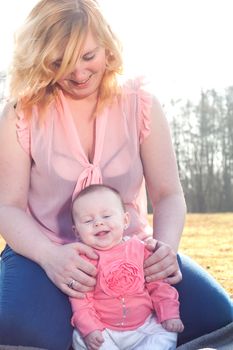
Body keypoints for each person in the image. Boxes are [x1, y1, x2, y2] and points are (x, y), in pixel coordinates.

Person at [0, 0, 232, 349]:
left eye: (87, 56)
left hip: (130, 250)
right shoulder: (22, 113)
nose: (78, 72)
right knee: (20, 329)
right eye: (59, 61)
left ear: (107, 48)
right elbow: (8, 207)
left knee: (218, 317)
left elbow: (168, 194)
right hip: (43, 249)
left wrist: (163, 252)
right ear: (40, 59)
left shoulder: (141, 104)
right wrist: (51, 258)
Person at [70, 184, 184, 350]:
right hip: (104, 331)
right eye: (88, 220)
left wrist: (169, 314)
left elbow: (159, 285)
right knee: (79, 338)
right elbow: (81, 301)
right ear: (77, 232)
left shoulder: (141, 249)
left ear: (125, 220)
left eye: (107, 216)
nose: (98, 223)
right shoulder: (84, 260)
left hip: (144, 326)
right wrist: (91, 329)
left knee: (165, 333)